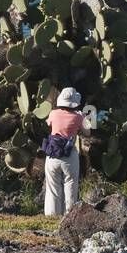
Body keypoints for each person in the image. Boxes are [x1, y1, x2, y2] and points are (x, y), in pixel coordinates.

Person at [42, 87, 85, 217]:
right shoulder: (78, 117)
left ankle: (51, 217)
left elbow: (48, 123)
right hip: (69, 155)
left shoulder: (53, 113)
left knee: (53, 188)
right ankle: (70, 217)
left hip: (52, 155)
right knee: (70, 186)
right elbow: (88, 132)